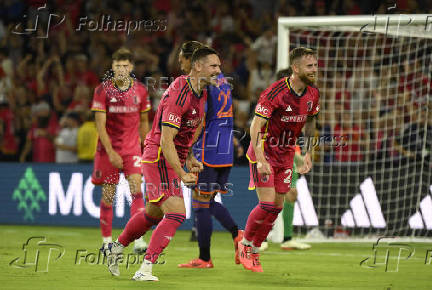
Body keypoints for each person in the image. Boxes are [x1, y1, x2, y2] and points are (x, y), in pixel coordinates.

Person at [103, 47, 222, 281]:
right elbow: (166, 140)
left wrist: (188, 156)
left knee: (153, 213)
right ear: (198, 66)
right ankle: (144, 270)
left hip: (170, 156)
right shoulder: (181, 93)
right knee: (177, 213)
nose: (219, 70)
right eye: (214, 66)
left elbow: (190, 128)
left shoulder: (202, 91)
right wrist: (182, 172)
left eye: (219, 66)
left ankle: (117, 247)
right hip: (159, 155)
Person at [238, 47, 320, 272]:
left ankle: (254, 250)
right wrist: (261, 159)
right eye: (309, 66)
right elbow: (255, 125)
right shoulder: (275, 92)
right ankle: (245, 245)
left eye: (315, 65)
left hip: (285, 153)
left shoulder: (313, 94)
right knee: (266, 203)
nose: (314, 69)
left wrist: (308, 153)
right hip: (263, 149)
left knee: (276, 207)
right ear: (295, 68)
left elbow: (311, 123)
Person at [176, 41, 243, 269]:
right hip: (225, 149)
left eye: (183, 60)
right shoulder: (223, 80)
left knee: (200, 203)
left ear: (195, 62)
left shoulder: (203, 84)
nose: (180, 64)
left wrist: (185, 148)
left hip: (208, 150)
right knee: (208, 200)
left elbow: (199, 121)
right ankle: (236, 236)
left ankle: (206, 257)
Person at [91, 47, 151, 253]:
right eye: (118, 66)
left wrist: (148, 147)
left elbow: (144, 121)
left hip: (132, 149)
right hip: (108, 150)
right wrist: (111, 152)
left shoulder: (141, 90)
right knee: (109, 194)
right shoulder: (102, 91)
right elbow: (100, 125)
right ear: (112, 67)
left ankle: (139, 240)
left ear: (131, 67)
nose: (122, 69)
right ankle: (107, 240)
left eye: (125, 66)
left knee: (136, 190)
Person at [259, 69, 311, 251]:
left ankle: (287, 238)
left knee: (291, 195)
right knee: (271, 199)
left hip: (289, 154)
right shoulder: (272, 102)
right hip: (272, 154)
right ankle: (260, 237)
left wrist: (301, 151)